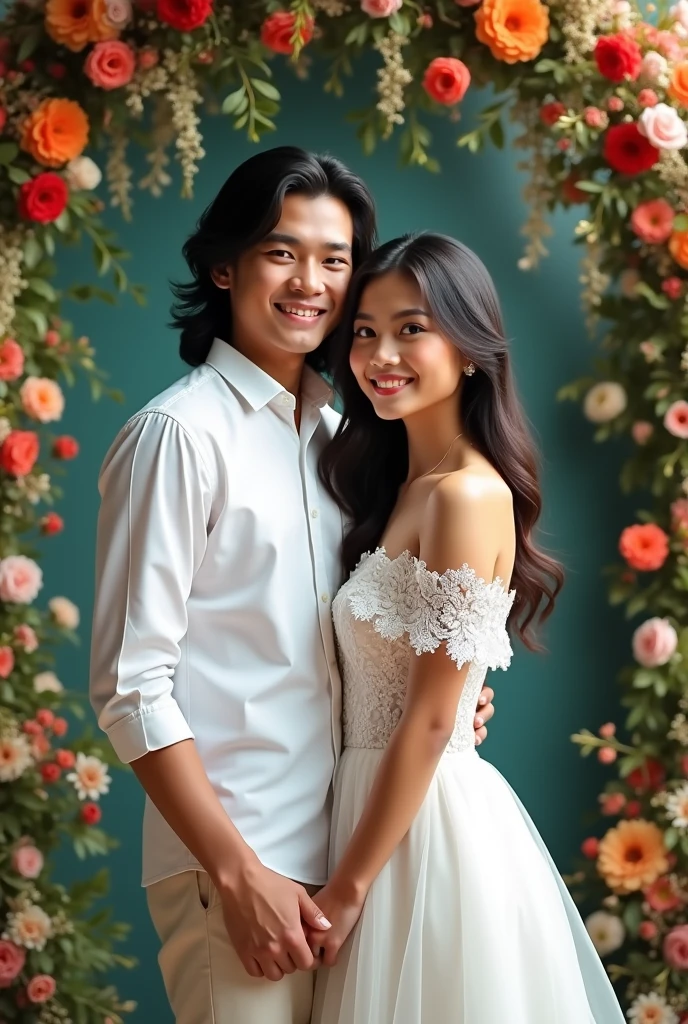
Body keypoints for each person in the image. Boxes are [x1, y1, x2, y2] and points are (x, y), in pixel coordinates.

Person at [88, 148, 495, 1024]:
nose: (309, 282)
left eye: (335, 260)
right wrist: (237, 872)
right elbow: (131, 687)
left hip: (355, 856)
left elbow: (353, 639)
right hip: (242, 868)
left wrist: (446, 699)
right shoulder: (177, 436)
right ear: (223, 265)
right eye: (282, 252)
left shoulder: (345, 440)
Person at [309, 233, 626, 1024]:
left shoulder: (466, 496)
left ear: (472, 348)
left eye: (412, 328)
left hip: (417, 832)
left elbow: (433, 714)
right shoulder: (404, 487)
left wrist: (348, 891)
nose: (381, 353)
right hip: (367, 803)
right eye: (365, 330)